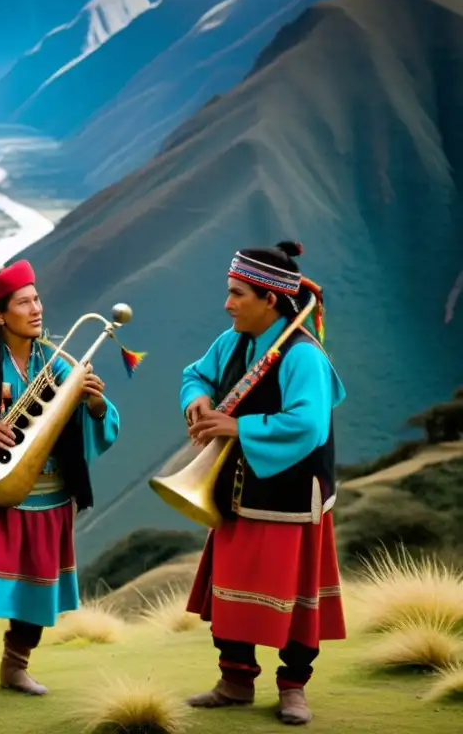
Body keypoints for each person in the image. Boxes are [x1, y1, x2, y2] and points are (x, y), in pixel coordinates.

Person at [0, 259, 134, 704]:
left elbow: (87, 425)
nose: (37, 309)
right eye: (24, 302)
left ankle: (17, 665)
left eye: (37, 299)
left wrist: (95, 406)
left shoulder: (58, 363)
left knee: (36, 585)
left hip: (50, 495)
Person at [180, 240, 347, 726]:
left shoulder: (303, 356)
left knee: (294, 599)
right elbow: (197, 374)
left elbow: (309, 425)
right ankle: (234, 682)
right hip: (235, 489)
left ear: (269, 299)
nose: (227, 303)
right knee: (230, 589)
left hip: (292, 496)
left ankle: (293, 689)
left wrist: (238, 427)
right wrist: (197, 399)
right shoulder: (232, 340)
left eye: (237, 294)